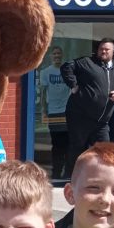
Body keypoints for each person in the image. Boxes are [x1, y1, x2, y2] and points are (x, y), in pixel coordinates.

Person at [61, 38, 114, 178]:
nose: (103, 51)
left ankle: (102, 178)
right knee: (77, 148)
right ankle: (71, 177)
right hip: (81, 117)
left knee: (105, 150)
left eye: (106, 49)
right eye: (101, 49)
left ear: (113, 52)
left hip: (102, 121)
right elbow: (66, 67)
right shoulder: (87, 62)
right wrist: (73, 85)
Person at [37, 45, 70, 179]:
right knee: (57, 144)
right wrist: (44, 110)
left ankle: (66, 173)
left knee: (67, 143)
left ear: (62, 56)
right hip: (53, 113)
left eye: (59, 54)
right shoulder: (45, 72)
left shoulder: (67, 71)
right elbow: (44, 93)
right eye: (54, 54)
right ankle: (56, 173)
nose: (57, 56)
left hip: (66, 112)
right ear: (51, 56)